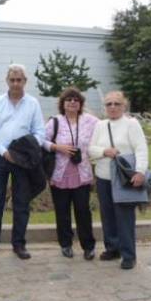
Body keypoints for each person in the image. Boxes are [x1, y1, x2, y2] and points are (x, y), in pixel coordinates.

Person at [0, 64, 46, 260]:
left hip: (23, 159)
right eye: (12, 80)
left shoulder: (33, 103)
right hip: (1, 156)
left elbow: (40, 132)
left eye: (19, 80)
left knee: (21, 201)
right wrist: (4, 151)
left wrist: (27, 151)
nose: (16, 83)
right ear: (7, 81)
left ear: (25, 81)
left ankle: (19, 244)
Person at [88, 91, 148, 270]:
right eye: (109, 104)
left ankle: (129, 254)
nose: (112, 107)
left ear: (124, 106)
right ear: (104, 107)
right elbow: (91, 149)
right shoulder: (100, 125)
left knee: (125, 217)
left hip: (123, 178)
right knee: (107, 215)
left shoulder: (131, 124)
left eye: (116, 103)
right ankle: (112, 248)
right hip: (103, 177)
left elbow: (141, 149)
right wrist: (104, 151)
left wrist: (140, 172)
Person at [43, 87, 98, 260]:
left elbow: (106, 126)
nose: (72, 102)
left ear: (80, 103)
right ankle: (65, 244)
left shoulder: (89, 120)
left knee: (83, 211)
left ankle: (88, 246)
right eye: (69, 99)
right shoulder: (55, 122)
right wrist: (56, 147)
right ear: (63, 104)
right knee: (62, 211)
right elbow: (40, 140)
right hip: (59, 175)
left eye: (76, 99)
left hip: (82, 174)